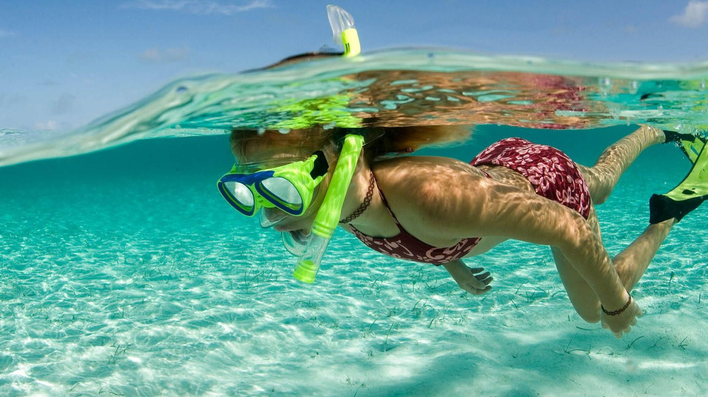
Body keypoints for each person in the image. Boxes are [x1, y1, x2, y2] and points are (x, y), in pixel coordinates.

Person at [220, 124, 705, 338]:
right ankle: (654, 131)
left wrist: (619, 304)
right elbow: (410, 226)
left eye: (279, 186)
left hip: (546, 188)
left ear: (337, 163)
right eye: (247, 189)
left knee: (594, 310)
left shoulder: (429, 197)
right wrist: (453, 263)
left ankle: (665, 214)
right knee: (600, 182)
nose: (270, 209)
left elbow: (569, 228)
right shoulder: (345, 204)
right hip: (504, 164)